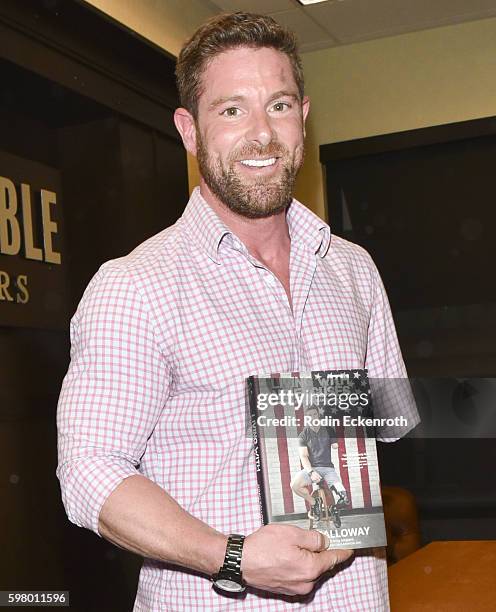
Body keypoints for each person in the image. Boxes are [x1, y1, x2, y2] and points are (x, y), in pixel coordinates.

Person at [57, 11, 410, 611]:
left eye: (278, 105)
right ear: (189, 130)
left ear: (303, 116)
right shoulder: (136, 285)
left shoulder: (354, 269)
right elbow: (90, 473)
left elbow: (390, 422)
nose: (261, 134)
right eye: (231, 110)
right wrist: (234, 556)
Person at [291, 407, 349, 520]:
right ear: (306, 418)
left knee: (344, 496)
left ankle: (334, 508)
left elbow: (335, 446)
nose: (312, 417)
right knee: (294, 485)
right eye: (309, 415)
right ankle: (314, 503)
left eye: (314, 414)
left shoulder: (329, 430)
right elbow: (303, 456)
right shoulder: (303, 435)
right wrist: (311, 472)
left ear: (318, 415)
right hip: (311, 468)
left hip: (328, 469)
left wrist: (335, 441)